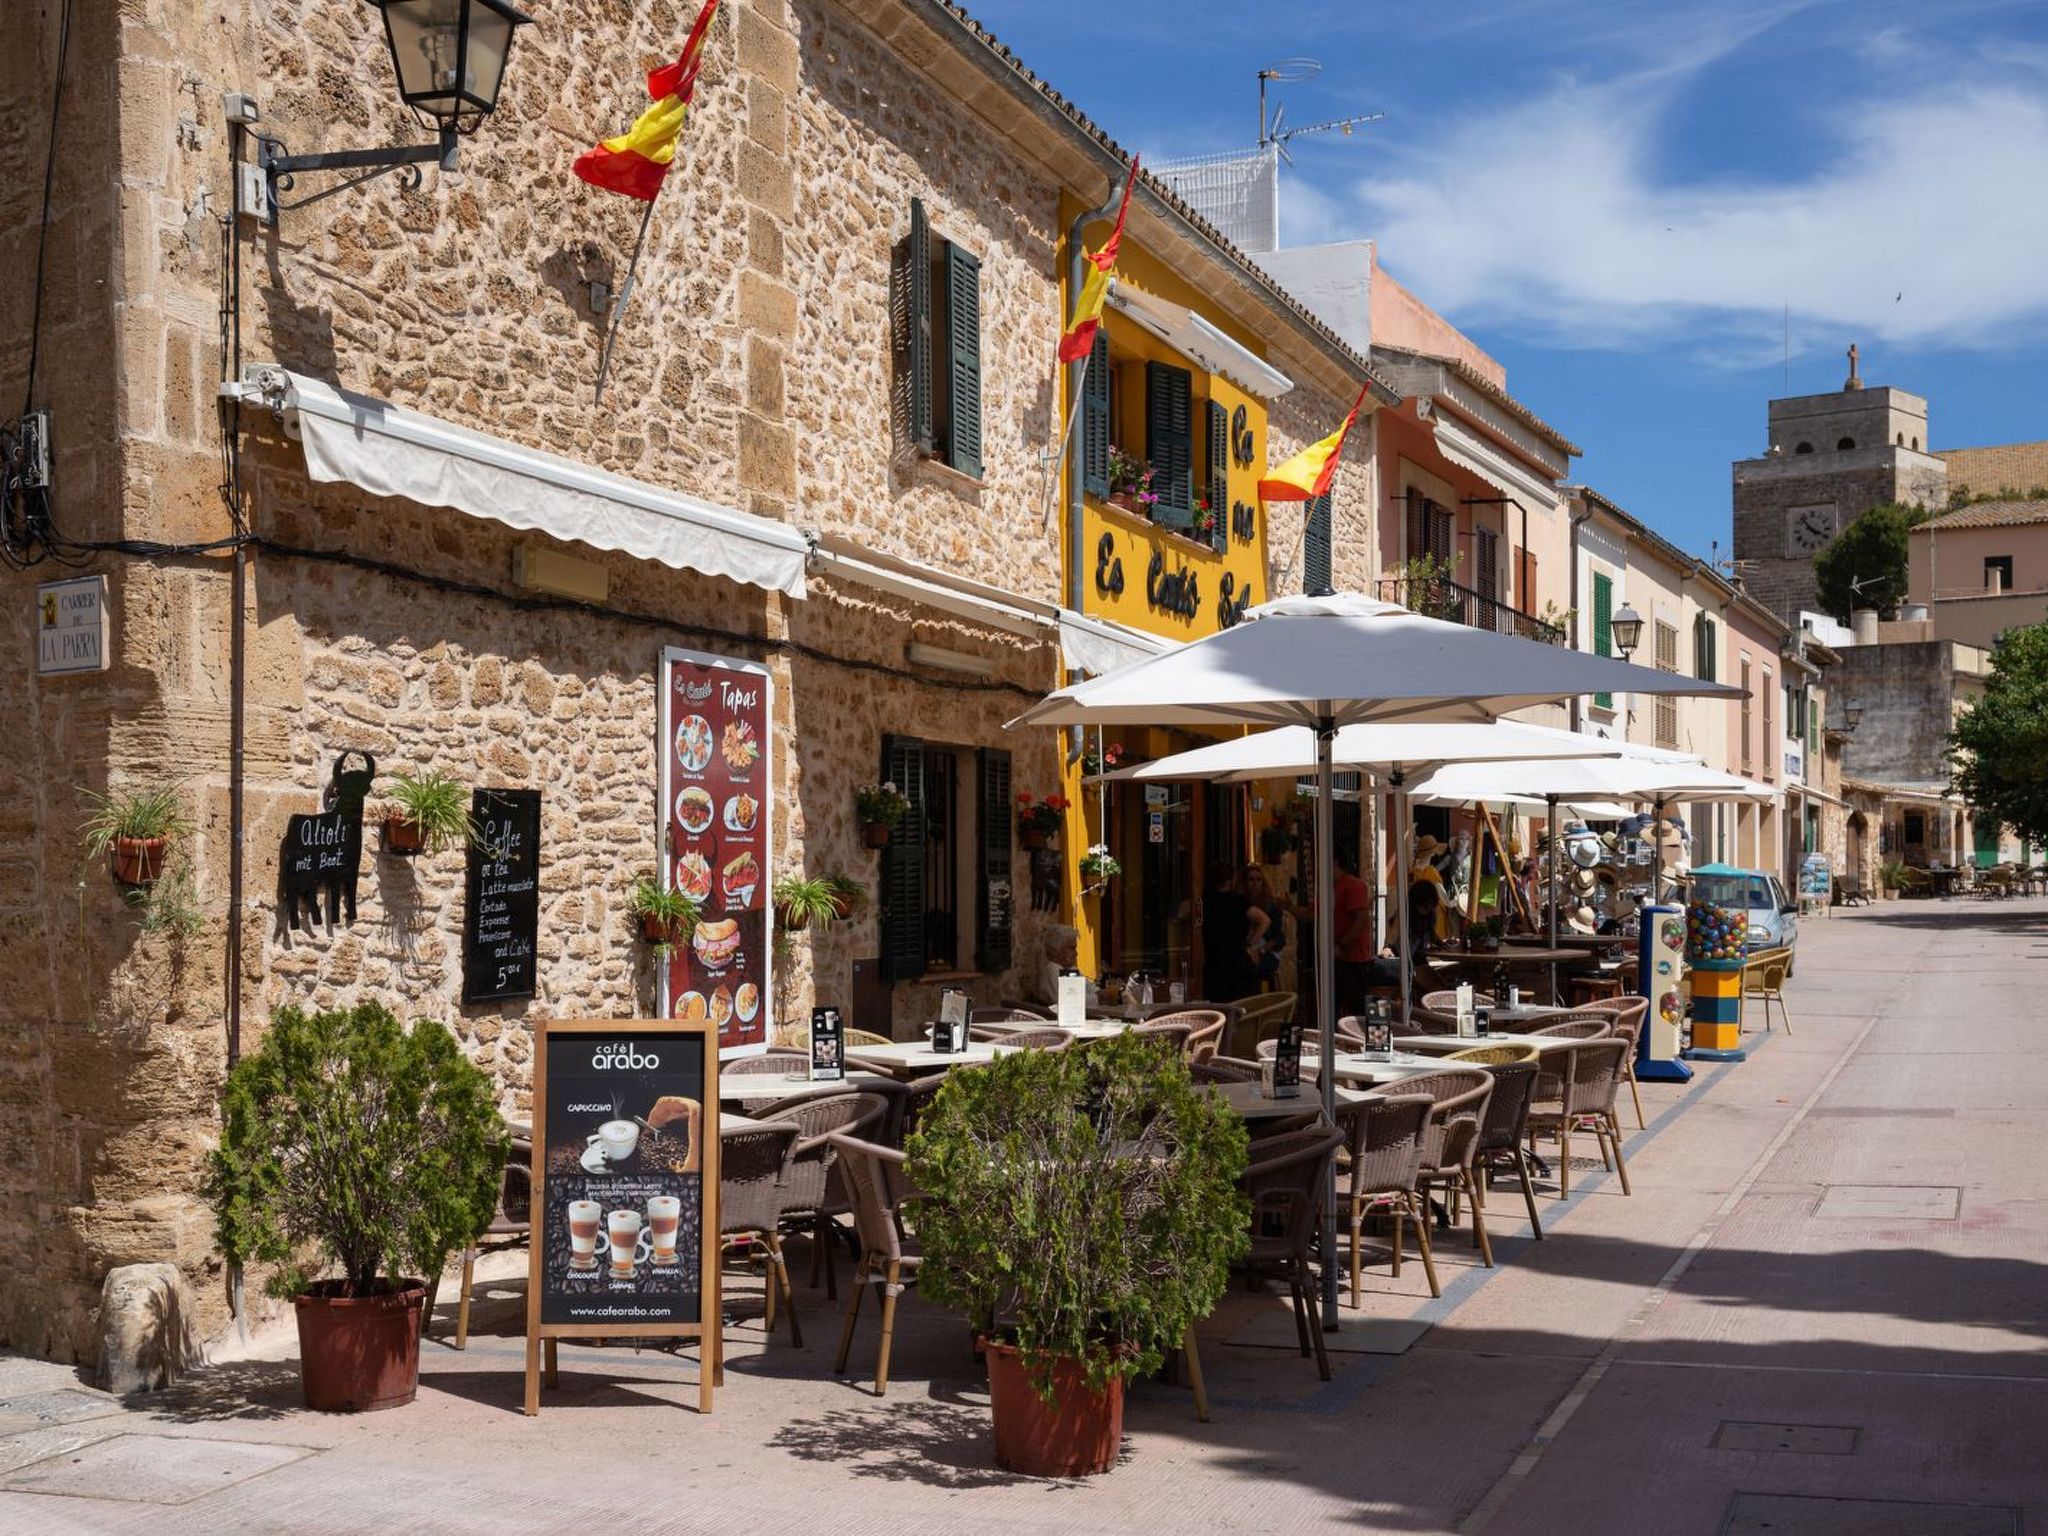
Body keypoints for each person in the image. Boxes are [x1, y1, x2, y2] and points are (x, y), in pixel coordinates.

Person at [1200, 861, 1269, 1003]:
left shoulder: (1204, 902)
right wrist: (1250, 944)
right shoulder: (1239, 902)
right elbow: (1264, 920)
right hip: (1237, 961)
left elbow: (1182, 912)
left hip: (1214, 963)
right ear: (1231, 880)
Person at [1031, 923, 1080, 1008]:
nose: (1076, 954)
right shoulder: (1052, 970)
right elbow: (1070, 1001)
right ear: (1056, 949)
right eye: (1071, 948)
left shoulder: (1069, 970)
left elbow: (1092, 990)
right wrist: (1101, 998)